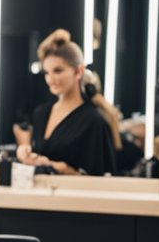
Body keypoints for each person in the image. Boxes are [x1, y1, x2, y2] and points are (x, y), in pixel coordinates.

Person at [16, 29, 116, 176]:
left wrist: (64, 169)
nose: (50, 79)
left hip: (73, 198)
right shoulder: (41, 114)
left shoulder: (93, 121)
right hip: (40, 196)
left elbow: (98, 182)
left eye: (57, 71)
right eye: (46, 73)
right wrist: (25, 152)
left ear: (78, 72)